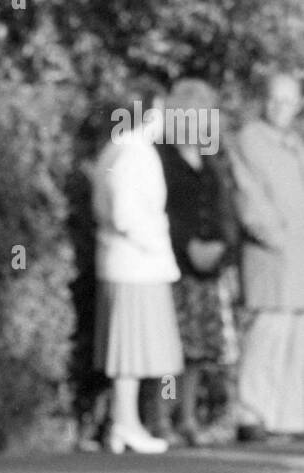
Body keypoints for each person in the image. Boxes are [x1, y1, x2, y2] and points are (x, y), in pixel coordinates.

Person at [92, 85, 183, 453]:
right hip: (136, 264)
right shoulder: (133, 151)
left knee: (130, 353)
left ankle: (125, 423)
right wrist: (158, 247)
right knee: (130, 353)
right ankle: (125, 424)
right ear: (150, 112)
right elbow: (126, 214)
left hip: (131, 263)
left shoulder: (121, 148)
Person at [156, 78, 239, 445]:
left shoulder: (211, 161)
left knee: (198, 353)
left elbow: (224, 211)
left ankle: (187, 417)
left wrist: (223, 250)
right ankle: (161, 418)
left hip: (209, 268)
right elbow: (161, 209)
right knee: (168, 349)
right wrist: (187, 245)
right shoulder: (162, 157)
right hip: (175, 265)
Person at [228, 71, 304, 439]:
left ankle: (290, 417)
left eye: (288, 101)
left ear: (298, 106)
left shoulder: (296, 144)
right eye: (275, 99)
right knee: (268, 332)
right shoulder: (250, 140)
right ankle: (251, 413)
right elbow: (248, 197)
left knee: (298, 336)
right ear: (264, 100)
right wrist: (276, 236)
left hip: (300, 256)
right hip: (272, 254)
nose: (280, 107)